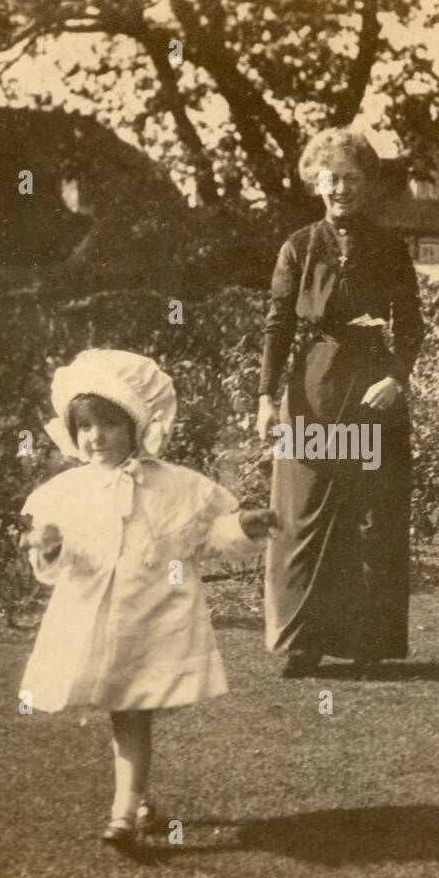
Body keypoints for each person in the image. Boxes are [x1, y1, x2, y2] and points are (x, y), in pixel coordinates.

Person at [18, 348, 279, 849]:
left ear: (137, 427)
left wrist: (243, 526)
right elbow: (56, 561)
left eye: (110, 425)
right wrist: (49, 547)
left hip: (148, 620)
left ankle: (123, 813)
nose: (96, 437)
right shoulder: (67, 491)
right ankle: (138, 802)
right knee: (124, 711)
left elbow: (204, 537)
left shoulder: (173, 486)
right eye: (86, 426)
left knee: (130, 712)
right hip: (93, 623)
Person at [257, 128, 425, 677]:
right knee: (301, 517)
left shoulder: (390, 247)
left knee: (372, 515)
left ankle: (368, 644)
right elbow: (278, 325)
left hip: (374, 391)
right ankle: (302, 645)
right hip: (313, 391)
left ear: (367, 185)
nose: (342, 188)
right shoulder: (298, 246)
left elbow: (411, 325)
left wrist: (397, 377)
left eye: (353, 178)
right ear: (315, 183)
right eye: (331, 178)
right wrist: (265, 395)